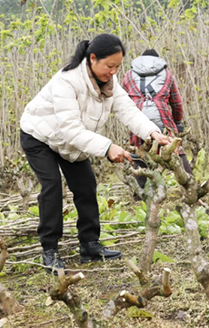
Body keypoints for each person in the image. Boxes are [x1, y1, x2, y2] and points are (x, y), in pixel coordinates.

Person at [19, 34, 170, 272]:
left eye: (117, 67)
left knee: (86, 185)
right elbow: (70, 129)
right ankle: (50, 250)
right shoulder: (67, 81)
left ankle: (89, 245)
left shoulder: (110, 82)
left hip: (72, 141)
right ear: (92, 59)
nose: (113, 71)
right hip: (40, 136)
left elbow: (128, 111)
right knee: (52, 186)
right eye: (109, 66)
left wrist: (153, 133)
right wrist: (108, 148)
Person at [122, 49, 192, 190]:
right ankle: (190, 187)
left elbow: (123, 102)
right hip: (162, 119)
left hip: (138, 119)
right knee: (176, 151)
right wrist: (177, 123)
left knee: (140, 156)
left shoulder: (128, 75)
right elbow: (177, 103)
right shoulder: (167, 74)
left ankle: (139, 197)